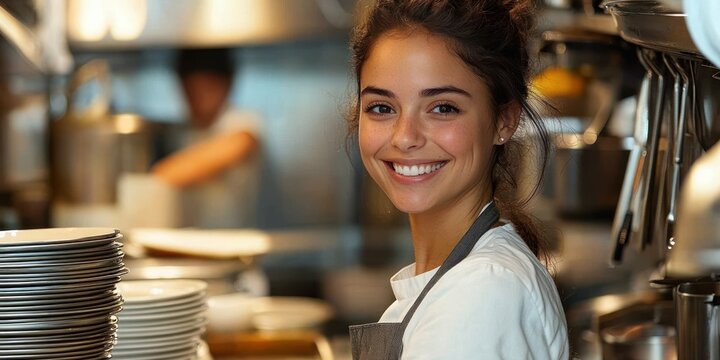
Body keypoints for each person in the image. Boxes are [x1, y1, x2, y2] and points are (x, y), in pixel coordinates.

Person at [346, 0, 569, 359]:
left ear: (504, 121)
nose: (405, 137)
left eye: (442, 108)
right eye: (382, 108)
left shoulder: (482, 293)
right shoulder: (457, 278)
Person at [151, 48, 261, 228]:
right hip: (188, 242)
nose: (198, 99)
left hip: (235, 243)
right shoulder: (183, 131)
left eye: (207, 88)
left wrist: (154, 178)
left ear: (227, 84)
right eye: (190, 90)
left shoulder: (243, 123)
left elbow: (237, 145)